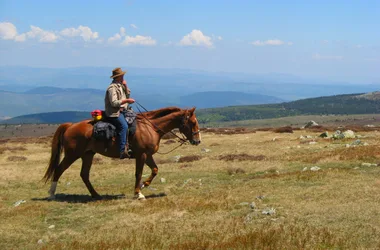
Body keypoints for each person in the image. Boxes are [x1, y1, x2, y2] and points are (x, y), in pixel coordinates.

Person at [105, 67, 135, 159]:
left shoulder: (120, 85)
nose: (123, 77)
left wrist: (126, 86)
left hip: (124, 111)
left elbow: (127, 95)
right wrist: (126, 100)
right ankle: (122, 150)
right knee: (124, 126)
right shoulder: (112, 88)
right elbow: (114, 103)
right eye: (122, 75)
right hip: (114, 113)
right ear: (117, 77)